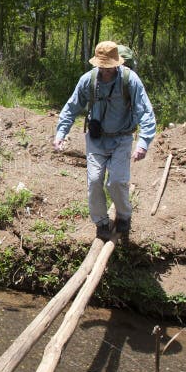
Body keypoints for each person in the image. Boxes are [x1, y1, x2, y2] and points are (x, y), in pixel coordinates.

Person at [52, 40, 156, 242]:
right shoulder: (88, 80)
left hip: (122, 139)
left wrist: (143, 143)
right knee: (94, 181)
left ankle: (124, 217)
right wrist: (60, 133)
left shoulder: (130, 80)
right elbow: (71, 107)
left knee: (117, 181)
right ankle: (101, 223)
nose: (105, 71)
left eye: (109, 67)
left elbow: (146, 112)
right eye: (102, 67)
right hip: (96, 140)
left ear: (117, 64)